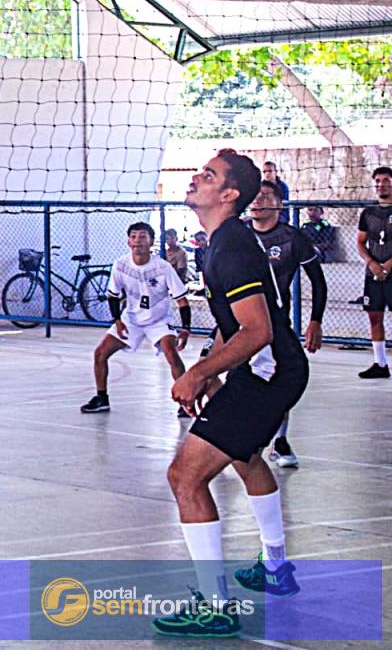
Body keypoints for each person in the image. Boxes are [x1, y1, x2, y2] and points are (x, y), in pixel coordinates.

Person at [152, 150, 308, 638]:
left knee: (185, 476)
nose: (196, 178)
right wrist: (214, 371)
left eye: (209, 175)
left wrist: (197, 373)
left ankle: (215, 607)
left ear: (229, 194)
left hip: (267, 375)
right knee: (245, 458)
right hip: (266, 372)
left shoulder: (232, 248)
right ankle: (276, 567)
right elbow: (232, 323)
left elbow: (257, 330)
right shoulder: (220, 242)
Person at [246, 180, 327, 468]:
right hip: (241, 323)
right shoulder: (239, 234)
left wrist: (315, 321)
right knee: (229, 378)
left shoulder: (292, 238)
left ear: (279, 204)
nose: (257, 201)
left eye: (265, 196)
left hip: (277, 323)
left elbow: (318, 281)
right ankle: (233, 439)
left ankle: (279, 441)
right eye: (254, 197)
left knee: (281, 380)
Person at [80, 222, 192, 417]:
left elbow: (182, 301)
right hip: (131, 319)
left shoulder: (163, 267)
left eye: (142, 237)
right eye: (133, 237)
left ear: (151, 241)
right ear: (128, 242)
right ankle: (102, 398)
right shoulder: (121, 265)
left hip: (159, 320)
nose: (137, 241)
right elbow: (113, 295)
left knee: (172, 354)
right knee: (100, 353)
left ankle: (185, 402)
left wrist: (186, 329)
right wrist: (117, 321)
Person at [357, 166, 392, 379]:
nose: (381, 185)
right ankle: (380, 363)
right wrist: (371, 263)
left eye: (386, 180)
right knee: (374, 316)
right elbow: (360, 242)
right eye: (378, 181)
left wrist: (388, 265)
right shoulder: (368, 213)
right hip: (374, 274)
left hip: (389, 271)